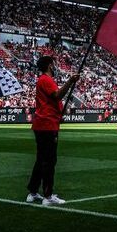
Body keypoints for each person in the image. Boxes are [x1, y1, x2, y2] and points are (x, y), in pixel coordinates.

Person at [26, 55, 79, 206]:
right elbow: (57, 96)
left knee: (41, 160)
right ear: (50, 65)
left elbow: (52, 102)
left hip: (44, 123)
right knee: (49, 161)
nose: (55, 66)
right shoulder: (46, 79)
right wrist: (70, 81)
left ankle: (33, 192)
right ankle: (48, 196)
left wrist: (59, 115)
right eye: (54, 64)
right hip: (47, 125)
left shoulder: (43, 80)